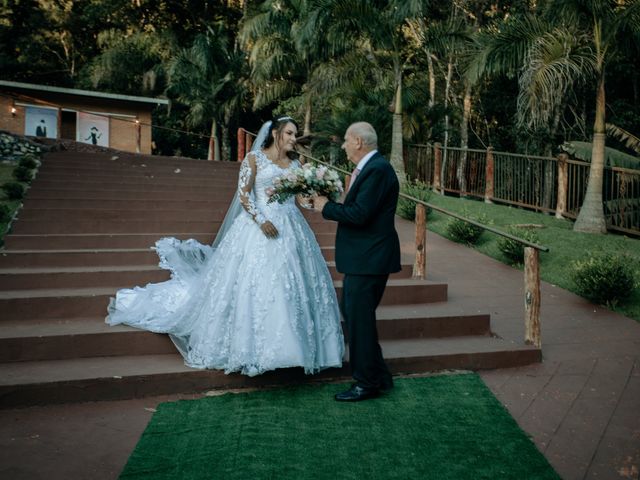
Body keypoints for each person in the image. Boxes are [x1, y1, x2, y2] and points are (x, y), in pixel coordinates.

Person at [106, 117, 344, 376]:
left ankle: (295, 349)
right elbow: (244, 195)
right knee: (262, 284)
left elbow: (300, 200)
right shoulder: (254, 159)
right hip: (259, 228)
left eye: (294, 134)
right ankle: (264, 351)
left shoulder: (297, 164)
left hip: (293, 229)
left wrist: (318, 198)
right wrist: (261, 220)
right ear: (275, 133)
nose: (292, 138)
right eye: (288, 133)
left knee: (293, 283)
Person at [313, 122, 401, 401]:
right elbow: (358, 208)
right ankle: (379, 375)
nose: (343, 146)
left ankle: (366, 383)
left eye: (347, 141)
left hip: (370, 258)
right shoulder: (371, 169)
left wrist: (324, 207)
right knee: (355, 316)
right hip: (364, 258)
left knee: (358, 319)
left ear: (359, 142)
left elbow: (360, 214)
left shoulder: (377, 170)